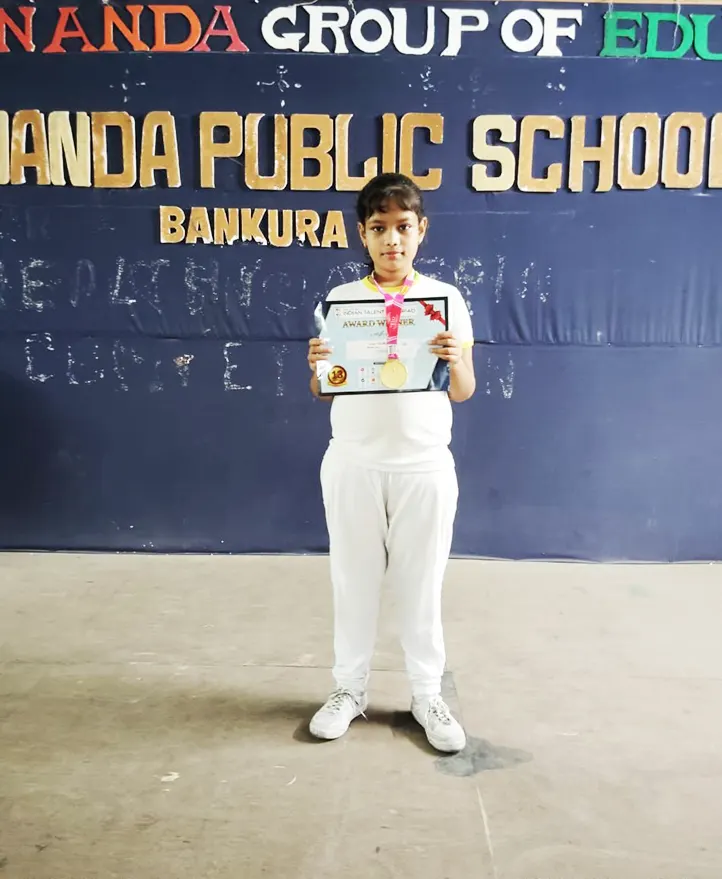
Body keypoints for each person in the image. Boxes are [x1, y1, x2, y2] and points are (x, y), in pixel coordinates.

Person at [306, 172, 476, 753]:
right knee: (352, 582)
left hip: (423, 465)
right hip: (353, 462)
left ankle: (427, 694)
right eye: (379, 228)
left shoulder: (445, 300)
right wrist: (318, 366)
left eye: (403, 227)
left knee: (421, 586)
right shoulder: (340, 301)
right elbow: (325, 389)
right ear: (363, 234)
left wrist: (455, 360)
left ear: (421, 230)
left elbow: (464, 391)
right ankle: (348, 690)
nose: (392, 240)